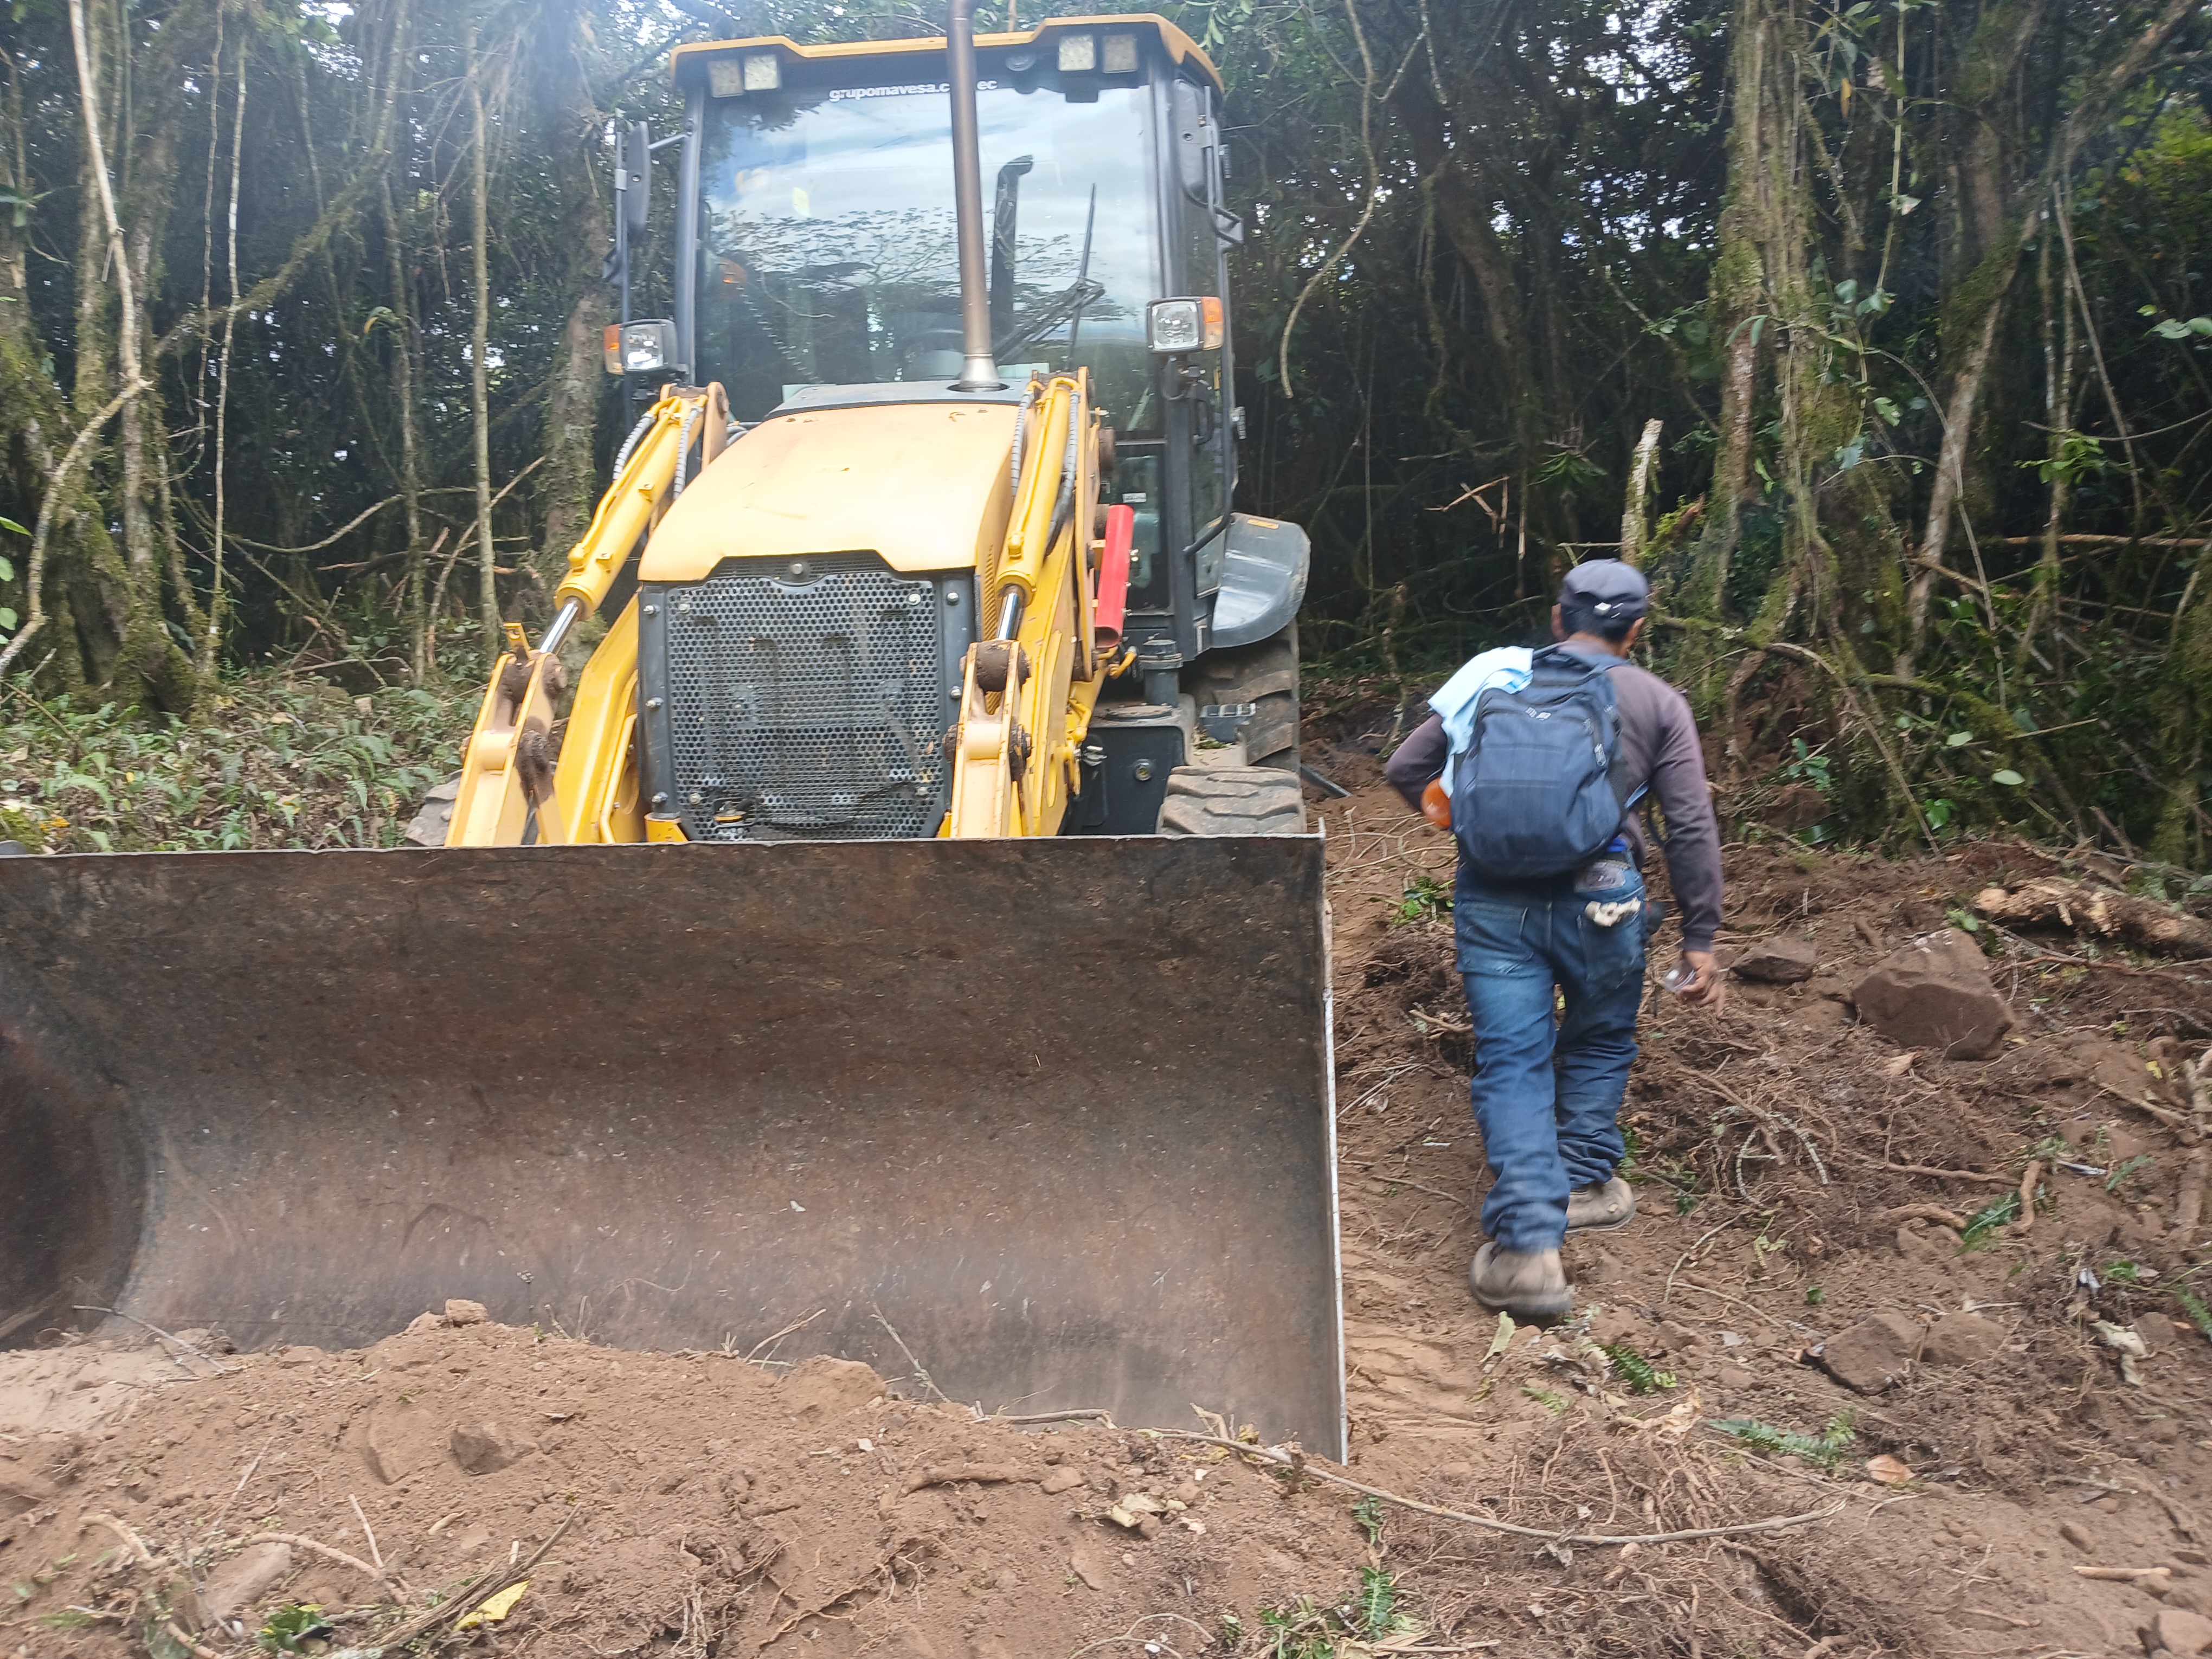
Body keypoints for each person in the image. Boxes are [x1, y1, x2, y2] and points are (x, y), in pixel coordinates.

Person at [1384, 560, 1725, 1321]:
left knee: (1514, 1059)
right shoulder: (1657, 702)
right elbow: (1690, 825)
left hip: (1493, 897)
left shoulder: (1496, 676)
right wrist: (1700, 936)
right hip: (1604, 894)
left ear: (1557, 617)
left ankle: (1526, 1253)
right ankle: (1583, 1184)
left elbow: (1407, 768)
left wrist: (1469, 822)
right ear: (1637, 630)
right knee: (1599, 1040)